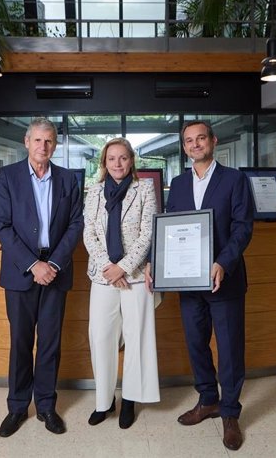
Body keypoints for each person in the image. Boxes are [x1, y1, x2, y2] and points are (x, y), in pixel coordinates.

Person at [145, 120, 254, 451]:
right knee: (196, 343)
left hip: (225, 280)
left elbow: (243, 227)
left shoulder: (235, 179)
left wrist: (223, 262)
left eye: (200, 138)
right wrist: (155, 262)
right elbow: (166, 230)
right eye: (188, 140)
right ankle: (208, 399)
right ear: (183, 147)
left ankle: (230, 412)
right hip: (188, 282)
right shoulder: (177, 184)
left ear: (213, 141)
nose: (195, 144)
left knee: (230, 348)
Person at [0, 117, 84, 438]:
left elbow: (76, 224)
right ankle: (17, 407)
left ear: (55, 145)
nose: (42, 146)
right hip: (21, 272)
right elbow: (2, 226)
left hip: (56, 272)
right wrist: (33, 264)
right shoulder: (8, 177)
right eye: (37, 140)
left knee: (49, 343)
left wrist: (55, 263)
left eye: (49, 141)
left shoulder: (68, 179)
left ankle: (46, 405)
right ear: (26, 142)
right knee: (20, 342)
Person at [83, 137, 160, 429]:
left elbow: (148, 232)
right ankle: (104, 402)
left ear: (131, 161)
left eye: (123, 158)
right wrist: (108, 267)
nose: (117, 163)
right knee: (101, 337)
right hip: (103, 277)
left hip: (136, 277)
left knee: (136, 337)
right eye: (112, 158)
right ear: (104, 163)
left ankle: (130, 399)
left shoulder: (145, 189)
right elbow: (89, 233)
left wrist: (124, 268)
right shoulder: (94, 191)